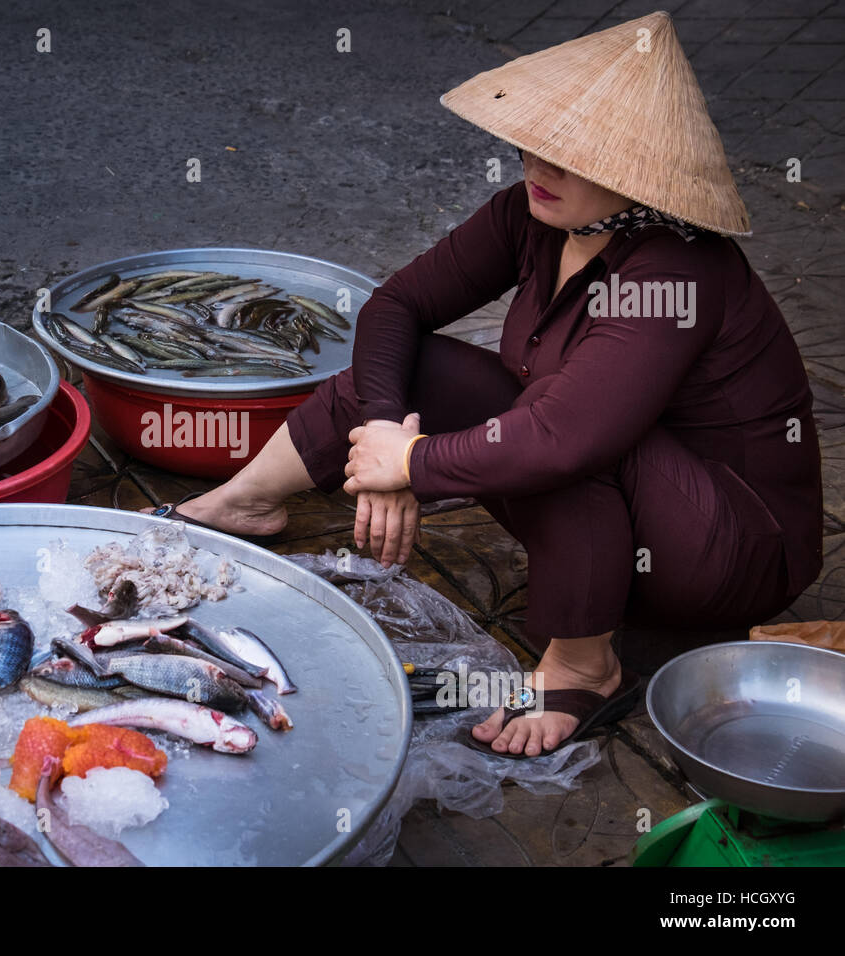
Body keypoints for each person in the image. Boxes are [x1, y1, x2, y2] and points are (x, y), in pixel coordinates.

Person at [146, 12, 823, 757]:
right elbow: (397, 306)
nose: (539, 167)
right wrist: (387, 435)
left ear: (640, 177)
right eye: (536, 145)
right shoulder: (534, 217)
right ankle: (244, 502)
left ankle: (584, 669)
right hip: (609, 490)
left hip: (724, 549)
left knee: (554, 425)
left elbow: (570, 436)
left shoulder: (676, 270)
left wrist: (411, 466)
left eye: (572, 157)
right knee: (424, 367)